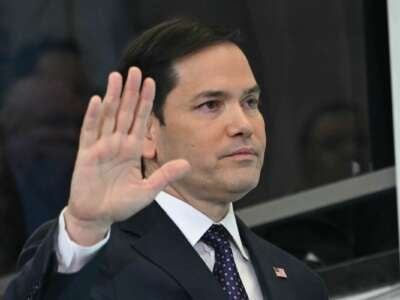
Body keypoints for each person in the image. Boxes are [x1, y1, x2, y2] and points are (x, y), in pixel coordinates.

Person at [5, 18, 328, 300]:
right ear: (147, 132)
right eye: (211, 105)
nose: (243, 125)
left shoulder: (298, 281)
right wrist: (83, 227)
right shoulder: (93, 256)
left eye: (250, 101)